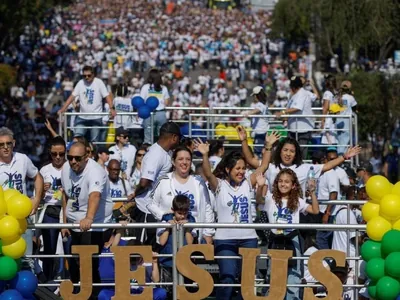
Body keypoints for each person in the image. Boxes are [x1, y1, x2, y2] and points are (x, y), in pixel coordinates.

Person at [195, 131, 280, 299]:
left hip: (249, 238)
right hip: (225, 239)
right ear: (228, 169)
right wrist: (204, 155)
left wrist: (268, 146)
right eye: (237, 168)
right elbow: (208, 173)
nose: (241, 172)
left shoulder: (248, 182)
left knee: (246, 282)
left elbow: (263, 166)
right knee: (227, 278)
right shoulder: (219, 185)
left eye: (243, 168)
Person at [238, 127, 361, 197]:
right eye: (285, 150)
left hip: (295, 215)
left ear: (296, 154)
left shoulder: (303, 168)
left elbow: (326, 166)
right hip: (274, 216)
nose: (288, 154)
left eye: (292, 151)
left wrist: (344, 156)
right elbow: (250, 160)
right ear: (280, 151)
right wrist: (244, 140)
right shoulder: (270, 167)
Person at [256, 169, 319, 300]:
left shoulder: (297, 200)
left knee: (294, 275)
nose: (283, 184)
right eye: (280, 181)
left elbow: (315, 210)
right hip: (275, 240)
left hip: (292, 239)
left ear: (293, 185)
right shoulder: (271, 199)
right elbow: (259, 201)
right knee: (273, 274)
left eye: (287, 182)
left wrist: (312, 192)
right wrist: (260, 185)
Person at [61, 142, 113, 296]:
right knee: (74, 261)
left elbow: (94, 195)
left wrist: (88, 218)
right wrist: (64, 221)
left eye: (77, 158)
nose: (73, 161)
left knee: (88, 263)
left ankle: (92, 295)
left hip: (95, 224)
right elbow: (65, 195)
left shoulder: (95, 171)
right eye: (70, 157)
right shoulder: (65, 168)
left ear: (87, 157)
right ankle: (78, 293)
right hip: (74, 222)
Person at [147, 146, 215, 244]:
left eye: (188, 159)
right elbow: (149, 203)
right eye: (180, 159)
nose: (184, 162)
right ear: (173, 162)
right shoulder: (163, 181)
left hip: (194, 236)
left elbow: (207, 208)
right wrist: (165, 217)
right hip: (169, 237)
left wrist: (208, 234)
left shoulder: (199, 182)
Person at [0, 127, 44, 272]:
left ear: (14, 143)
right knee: (4, 261)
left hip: (22, 218)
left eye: (8, 143)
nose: (5, 147)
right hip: (2, 220)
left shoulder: (23, 159)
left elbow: (37, 176)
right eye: (1, 144)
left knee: (27, 260)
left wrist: (36, 199)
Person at [130, 122, 181, 246]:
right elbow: (144, 182)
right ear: (174, 137)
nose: (179, 141)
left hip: (155, 208)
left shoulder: (163, 152)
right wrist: (135, 194)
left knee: (154, 247)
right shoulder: (156, 154)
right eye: (179, 138)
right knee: (142, 249)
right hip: (147, 208)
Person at [98, 225, 166, 300]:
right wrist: (119, 231)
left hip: (143, 291)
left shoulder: (147, 260)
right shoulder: (122, 259)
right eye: (132, 256)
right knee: (103, 294)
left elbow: (156, 280)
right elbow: (113, 248)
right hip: (126, 291)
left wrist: (155, 263)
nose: (134, 259)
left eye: (137, 256)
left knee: (161, 292)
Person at [58, 65, 116, 142]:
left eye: (89, 75)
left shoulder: (99, 82)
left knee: (94, 142)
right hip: (82, 117)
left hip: (96, 117)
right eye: (84, 76)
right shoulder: (80, 83)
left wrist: (112, 109)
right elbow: (72, 96)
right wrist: (63, 108)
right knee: (77, 139)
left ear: (93, 74)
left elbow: (107, 96)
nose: (86, 77)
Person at [38, 136, 66, 281]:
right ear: (50, 153)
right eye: (54, 154)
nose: (58, 157)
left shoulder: (70, 167)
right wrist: (42, 190)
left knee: (69, 250)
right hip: (50, 210)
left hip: (67, 211)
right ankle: (48, 282)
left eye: (61, 154)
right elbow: (38, 197)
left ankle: (70, 282)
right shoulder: (44, 170)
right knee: (49, 249)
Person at [157, 195, 197, 290]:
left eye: (185, 213)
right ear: (172, 210)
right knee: (167, 291)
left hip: (185, 262)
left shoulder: (191, 220)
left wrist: (187, 228)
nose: (182, 216)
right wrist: (168, 227)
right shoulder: (165, 220)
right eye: (179, 213)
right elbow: (162, 242)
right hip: (167, 262)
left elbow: (190, 243)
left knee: (185, 290)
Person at [275, 76, 314, 159]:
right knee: (292, 150)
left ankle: (300, 169)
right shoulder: (295, 95)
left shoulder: (302, 94)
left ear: (293, 87)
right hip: (294, 128)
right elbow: (289, 107)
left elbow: (297, 108)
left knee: (301, 152)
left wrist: (282, 112)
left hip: (302, 129)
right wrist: (285, 117)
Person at [311, 151, 339, 250]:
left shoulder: (330, 173)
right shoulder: (320, 173)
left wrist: (327, 213)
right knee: (326, 239)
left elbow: (334, 194)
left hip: (329, 213)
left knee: (321, 239)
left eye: (319, 161)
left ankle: (327, 262)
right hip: (321, 211)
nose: (316, 163)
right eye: (314, 161)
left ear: (326, 160)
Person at [140, 68, 170, 144]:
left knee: (148, 137)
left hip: (148, 113)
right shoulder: (163, 88)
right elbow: (166, 102)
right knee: (162, 135)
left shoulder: (145, 87)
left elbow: (141, 101)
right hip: (161, 113)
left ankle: (148, 151)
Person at [243, 86, 269, 155]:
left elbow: (258, 110)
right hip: (263, 131)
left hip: (260, 132)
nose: (253, 97)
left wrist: (248, 113)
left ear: (256, 96)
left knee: (258, 152)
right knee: (261, 151)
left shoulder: (260, 104)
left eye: (254, 95)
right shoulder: (264, 104)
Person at [336, 81, 357, 154]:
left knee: (339, 140)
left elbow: (333, 109)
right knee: (345, 141)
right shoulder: (350, 97)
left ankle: (339, 157)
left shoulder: (337, 97)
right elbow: (355, 108)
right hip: (346, 121)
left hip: (338, 121)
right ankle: (342, 159)